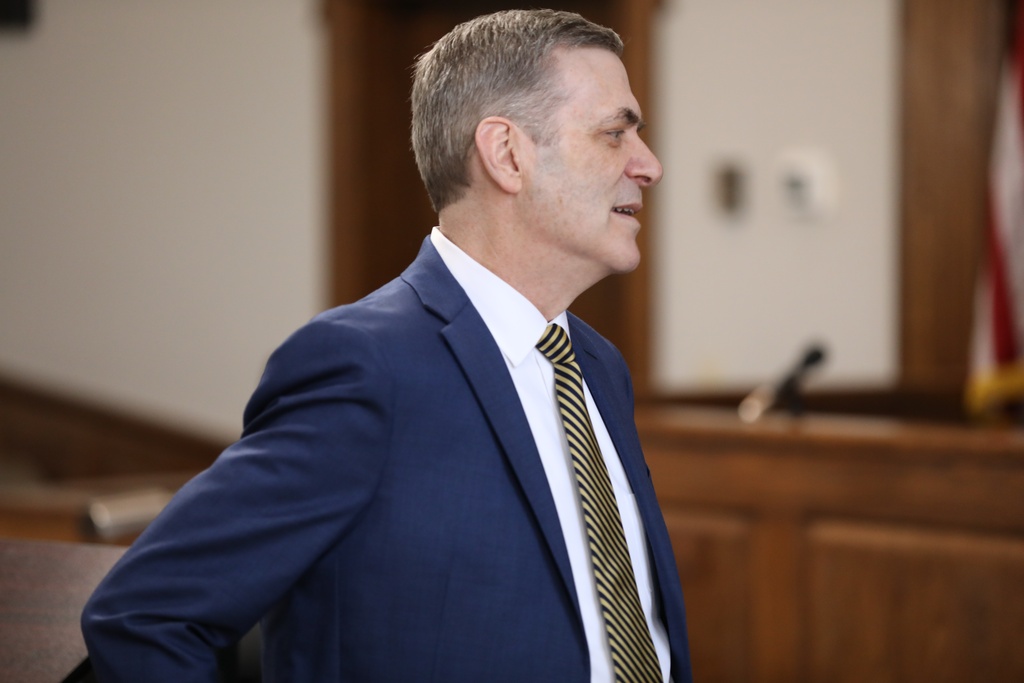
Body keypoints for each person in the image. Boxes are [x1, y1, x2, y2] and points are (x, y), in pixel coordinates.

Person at [81, 9, 693, 683]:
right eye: (614, 133)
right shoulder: (363, 366)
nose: (649, 165)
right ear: (507, 153)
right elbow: (145, 615)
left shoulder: (597, 367)